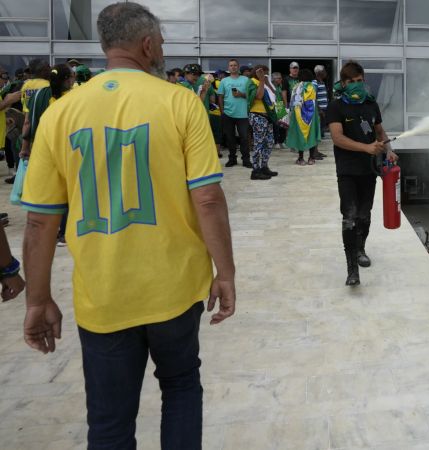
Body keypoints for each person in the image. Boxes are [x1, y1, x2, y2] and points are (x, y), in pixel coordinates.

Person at [20, 3, 236, 449]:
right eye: (161, 41)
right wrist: (226, 273)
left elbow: (41, 221)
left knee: (110, 422)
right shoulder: (180, 102)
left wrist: (37, 299)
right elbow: (209, 198)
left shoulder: (61, 113)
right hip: (174, 290)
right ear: (148, 44)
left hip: (104, 296)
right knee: (180, 388)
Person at [327, 61, 398, 286]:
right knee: (349, 216)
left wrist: (388, 149)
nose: (357, 85)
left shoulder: (370, 104)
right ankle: (352, 269)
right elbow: (337, 137)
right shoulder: (336, 106)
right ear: (344, 83)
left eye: (360, 81)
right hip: (347, 170)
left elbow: (379, 131)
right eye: (352, 82)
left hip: (369, 170)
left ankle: (361, 249)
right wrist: (366, 147)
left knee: (364, 215)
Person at [19, 63, 76, 246]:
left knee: (48, 191)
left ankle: (51, 232)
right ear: (67, 79)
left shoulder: (37, 95)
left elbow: (28, 123)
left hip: (41, 149)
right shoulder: (74, 97)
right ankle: (64, 233)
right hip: (67, 149)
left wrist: (25, 147)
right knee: (67, 191)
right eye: (72, 76)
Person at [217, 58, 252, 168]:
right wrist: (222, 111)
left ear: (238, 67)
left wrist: (241, 94)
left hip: (243, 114)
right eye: (231, 65)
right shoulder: (224, 81)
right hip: (228, 114)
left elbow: (251, 96)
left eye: (235, 65)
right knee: (230, 138)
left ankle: (246, 159)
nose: (233, 67)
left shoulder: (246, 80)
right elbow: (220, 96)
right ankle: (232, 159)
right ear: (228, 68)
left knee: (244, 138)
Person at [248, 64, 278, 180]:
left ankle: (264, 166)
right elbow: (259, 96)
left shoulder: (263, 82)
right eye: (263, 72)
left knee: (269, 143)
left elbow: (275, 95)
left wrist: (267, 82)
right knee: (259, 143)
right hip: (257, 115)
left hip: (268, 116)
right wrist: (261, 81)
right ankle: (255, 170)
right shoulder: (252, 82)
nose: (265, 75)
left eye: (266, 73)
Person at [286, 68, 321, 166]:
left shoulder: (296, 86)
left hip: (299, 115)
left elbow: (293, 102)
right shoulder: (313, 86)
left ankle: (301, 159)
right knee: (311, 135)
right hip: (312, 115)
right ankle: (311, 158)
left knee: (300, 135)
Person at [313, 64, 330, 156]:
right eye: (324, 71)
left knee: (320, 131)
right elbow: (313, 97)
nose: (326, 73)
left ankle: (316, 151)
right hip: (319, 111)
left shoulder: (322, 82)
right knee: (317, 131)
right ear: (319, 73)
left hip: (324, 110)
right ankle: (314, 152)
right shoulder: (315, 82)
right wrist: (319, 110)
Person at [271, 71, 287, 149]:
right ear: (274, 79)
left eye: (281, 78)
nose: (281, 79)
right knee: (276, 126)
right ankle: (276, 142)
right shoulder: (271, 86)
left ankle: (282, 141)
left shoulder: (280, 86)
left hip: (280, 106)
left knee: (283, 125)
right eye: (279, 78)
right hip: (273, 106)